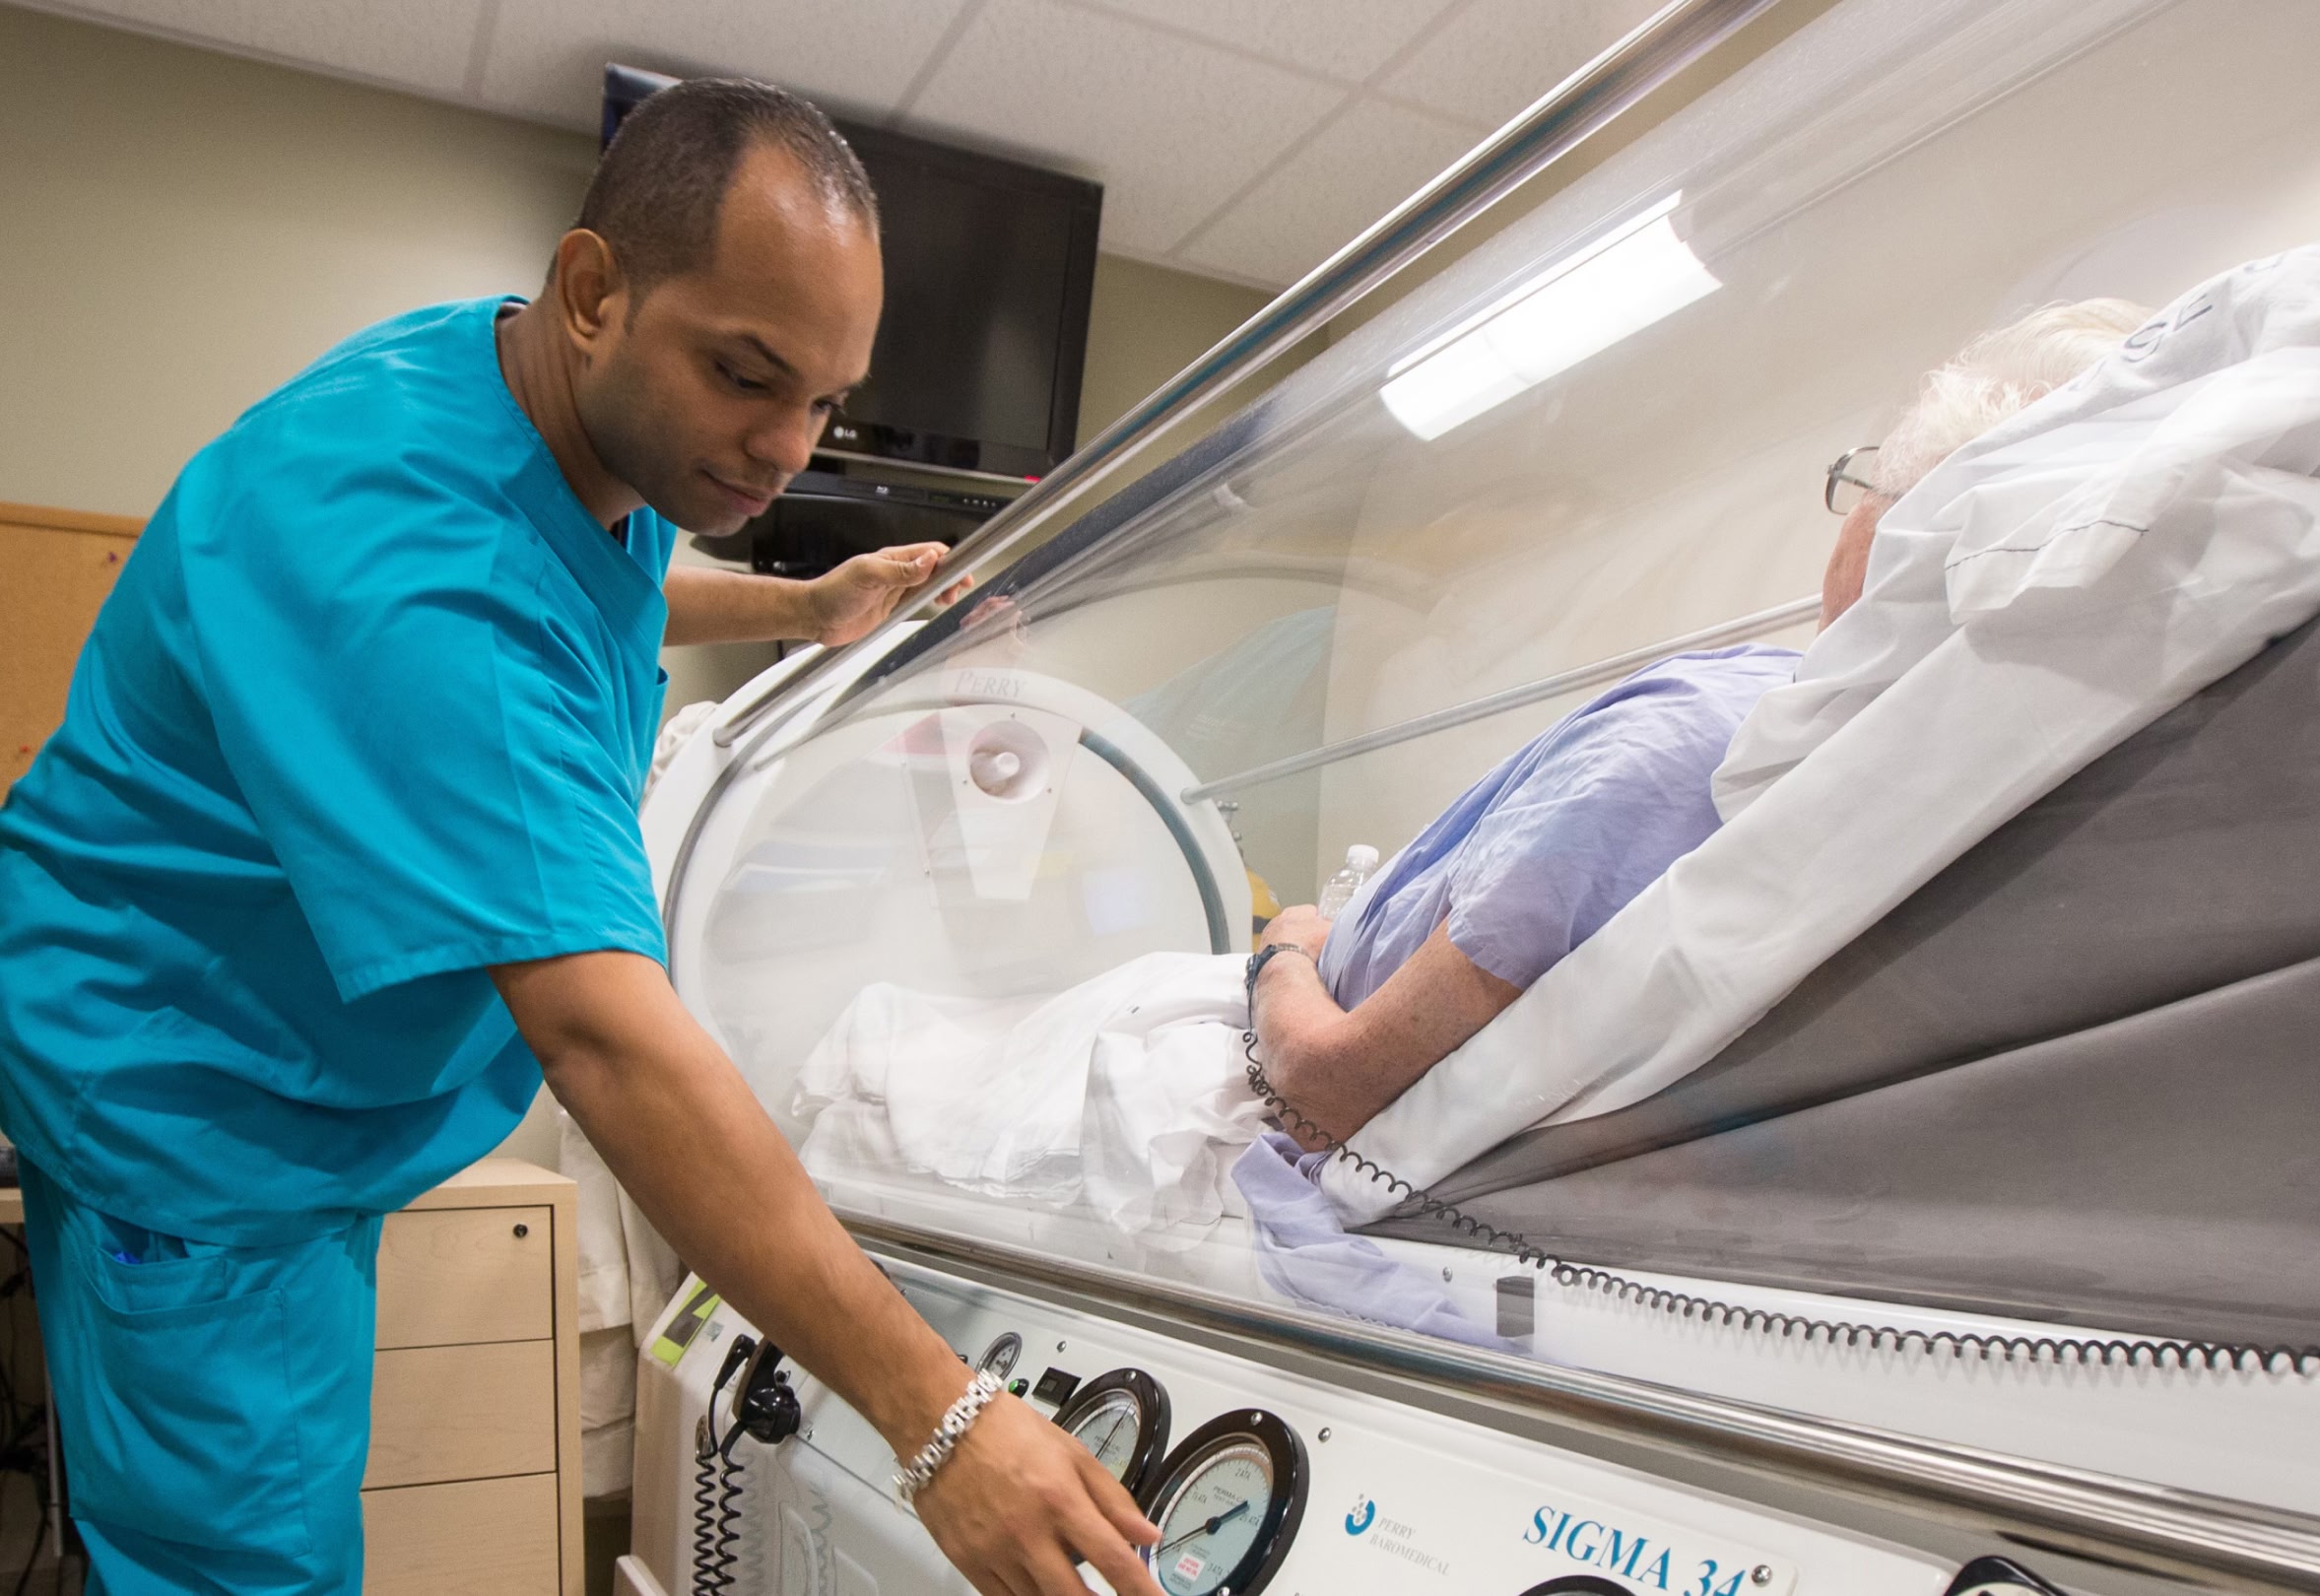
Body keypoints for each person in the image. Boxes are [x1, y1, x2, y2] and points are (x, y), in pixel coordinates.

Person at [0, 80, 1156, 1596]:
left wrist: (805, 611)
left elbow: (606, 586)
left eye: (825, 399)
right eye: (751, 378)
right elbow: (607, 1042)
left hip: (275, 1077)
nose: (789, 449)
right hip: (193, 1110)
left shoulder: (523, 394)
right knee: (239, 1566)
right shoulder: (423, 576)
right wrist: (939, 1421)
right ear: (596, 290)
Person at [1245, 300, 2151, 1145]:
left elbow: (1330, 1093)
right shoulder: (1976, 776)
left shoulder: (1681, 753)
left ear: (1907, 533)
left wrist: (1283, 951)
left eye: (1867, 483)